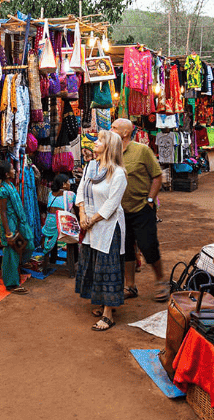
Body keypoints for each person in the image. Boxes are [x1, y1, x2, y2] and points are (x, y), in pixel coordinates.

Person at [75, 130, 128, 331]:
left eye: (99, 140)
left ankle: (108, 314)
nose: (95, 143)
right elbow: (81, 190)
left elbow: (112, 204)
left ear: (109, 147)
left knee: (108, 267)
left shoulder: (118, 173)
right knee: (94, 263)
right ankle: (100, 302)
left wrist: (92, 220)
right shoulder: (91, 167)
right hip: (90, 222)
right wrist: (82, 214)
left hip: (108, 226)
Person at [112, 118, 167, 302]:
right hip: (120, 210)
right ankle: (130, 286)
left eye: (113, 127)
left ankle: (161, 281)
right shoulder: (112, 152)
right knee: (126, 248)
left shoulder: (142, 150)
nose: (110, 130)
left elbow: (157, 176)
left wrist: (150, 200)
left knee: (148, 245)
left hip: (142, 208)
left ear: (125, 132)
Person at [0, 161, 33, 295]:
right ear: (7, 174)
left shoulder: (10, 185)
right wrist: (7, 232)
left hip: (18, 223)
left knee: (28, 244)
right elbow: (3, 212)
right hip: (10, 226)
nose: (14, 170)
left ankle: (21, 265)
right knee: (11, 253)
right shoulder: (3, 190)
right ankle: (11, 284)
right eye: (12, 168)